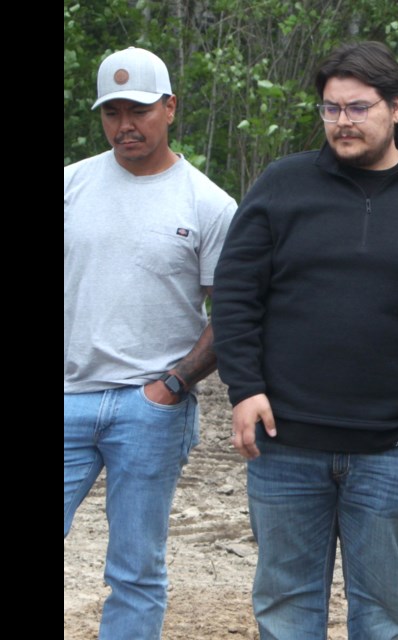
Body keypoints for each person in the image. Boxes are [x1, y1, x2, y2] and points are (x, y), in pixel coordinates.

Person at [211, 41, 398, 639]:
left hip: (396, 450)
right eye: (331, 109)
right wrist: (245, 389)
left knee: (384, 617)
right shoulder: (281, 187)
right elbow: (236, 297)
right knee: (285, 611)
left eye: (358, 107)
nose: (342, 121)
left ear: (395, 108)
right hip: (284, 444)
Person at [64, 47, 237, 639]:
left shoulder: (208, 204)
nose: (124, 125)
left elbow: (232, 310)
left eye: (137, 109)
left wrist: (173, 384)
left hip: (150, 409)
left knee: (136, 569)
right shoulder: (71, 186)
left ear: (169, 108)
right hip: (68, 397)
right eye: (111, 112)